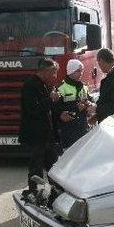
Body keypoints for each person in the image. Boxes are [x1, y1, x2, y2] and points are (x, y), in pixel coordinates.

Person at [19, 59, 61, 199]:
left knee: (53, 166)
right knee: (36, 167)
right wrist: (50, 100)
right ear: (46, 71)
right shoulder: (30, 85)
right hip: (36, 135)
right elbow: (33, 109)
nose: (55, 77)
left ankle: (56, 193)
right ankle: (34, 192)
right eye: (53, 73)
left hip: (48, 135)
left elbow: (50, 110)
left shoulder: (46, 85)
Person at [56, 59, 92, 149]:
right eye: (78, 71)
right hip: (68, 132)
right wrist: (76, 108)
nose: (81, 73)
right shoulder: (61, 88)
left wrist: (90, 104)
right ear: (70, 72)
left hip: (83, 130)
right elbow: (57, 109)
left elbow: (89, 101)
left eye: (82, 71)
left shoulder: (84, 87)